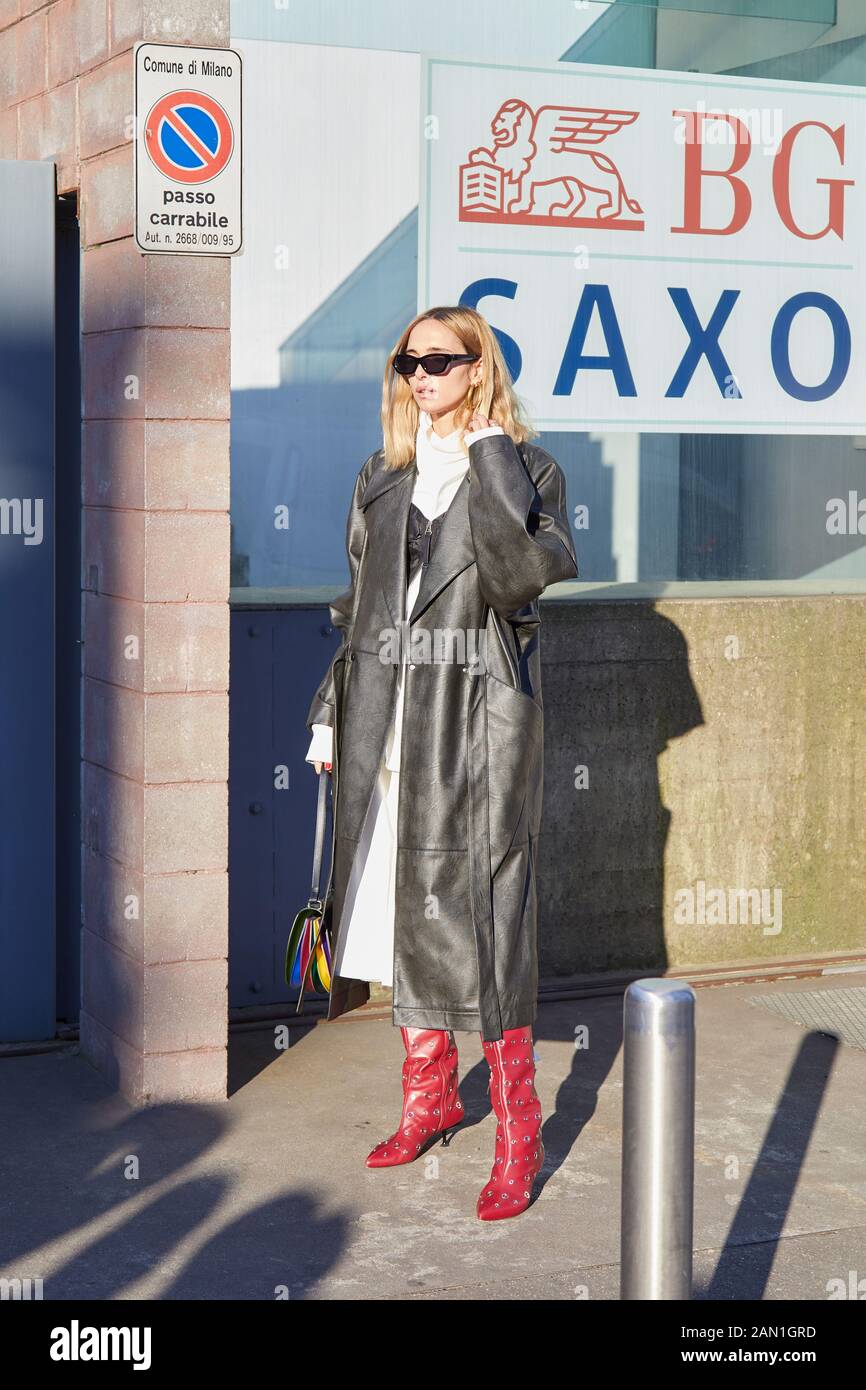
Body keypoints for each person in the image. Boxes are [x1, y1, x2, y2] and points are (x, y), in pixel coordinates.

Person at [304, 305, 578, 1219]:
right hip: (386, 721)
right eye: (406, 362)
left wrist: (492, 458)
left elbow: (515, 582)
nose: (418, 376)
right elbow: (356, 612)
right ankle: (427, 1101)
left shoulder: (529, 472)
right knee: (393, 916)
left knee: (491, 928)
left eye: (437, 360)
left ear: (476, 368)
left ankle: (517, 1133)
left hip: (477, 723)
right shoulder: (381, 479)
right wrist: (327, 719)